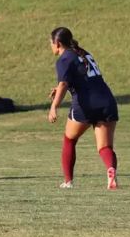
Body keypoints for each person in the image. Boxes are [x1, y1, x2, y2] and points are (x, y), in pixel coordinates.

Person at [48, 27, 118, 190]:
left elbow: (64, 83)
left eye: (51, 43)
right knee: (104, 147)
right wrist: (58, 89)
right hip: (106, 100)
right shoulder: (82, 53)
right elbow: (82, 78)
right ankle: (111, 170)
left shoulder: (64, 59)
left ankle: (68, 181)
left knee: (69, 139)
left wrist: (54, 106)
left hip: (85, 104)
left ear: (57, 43)